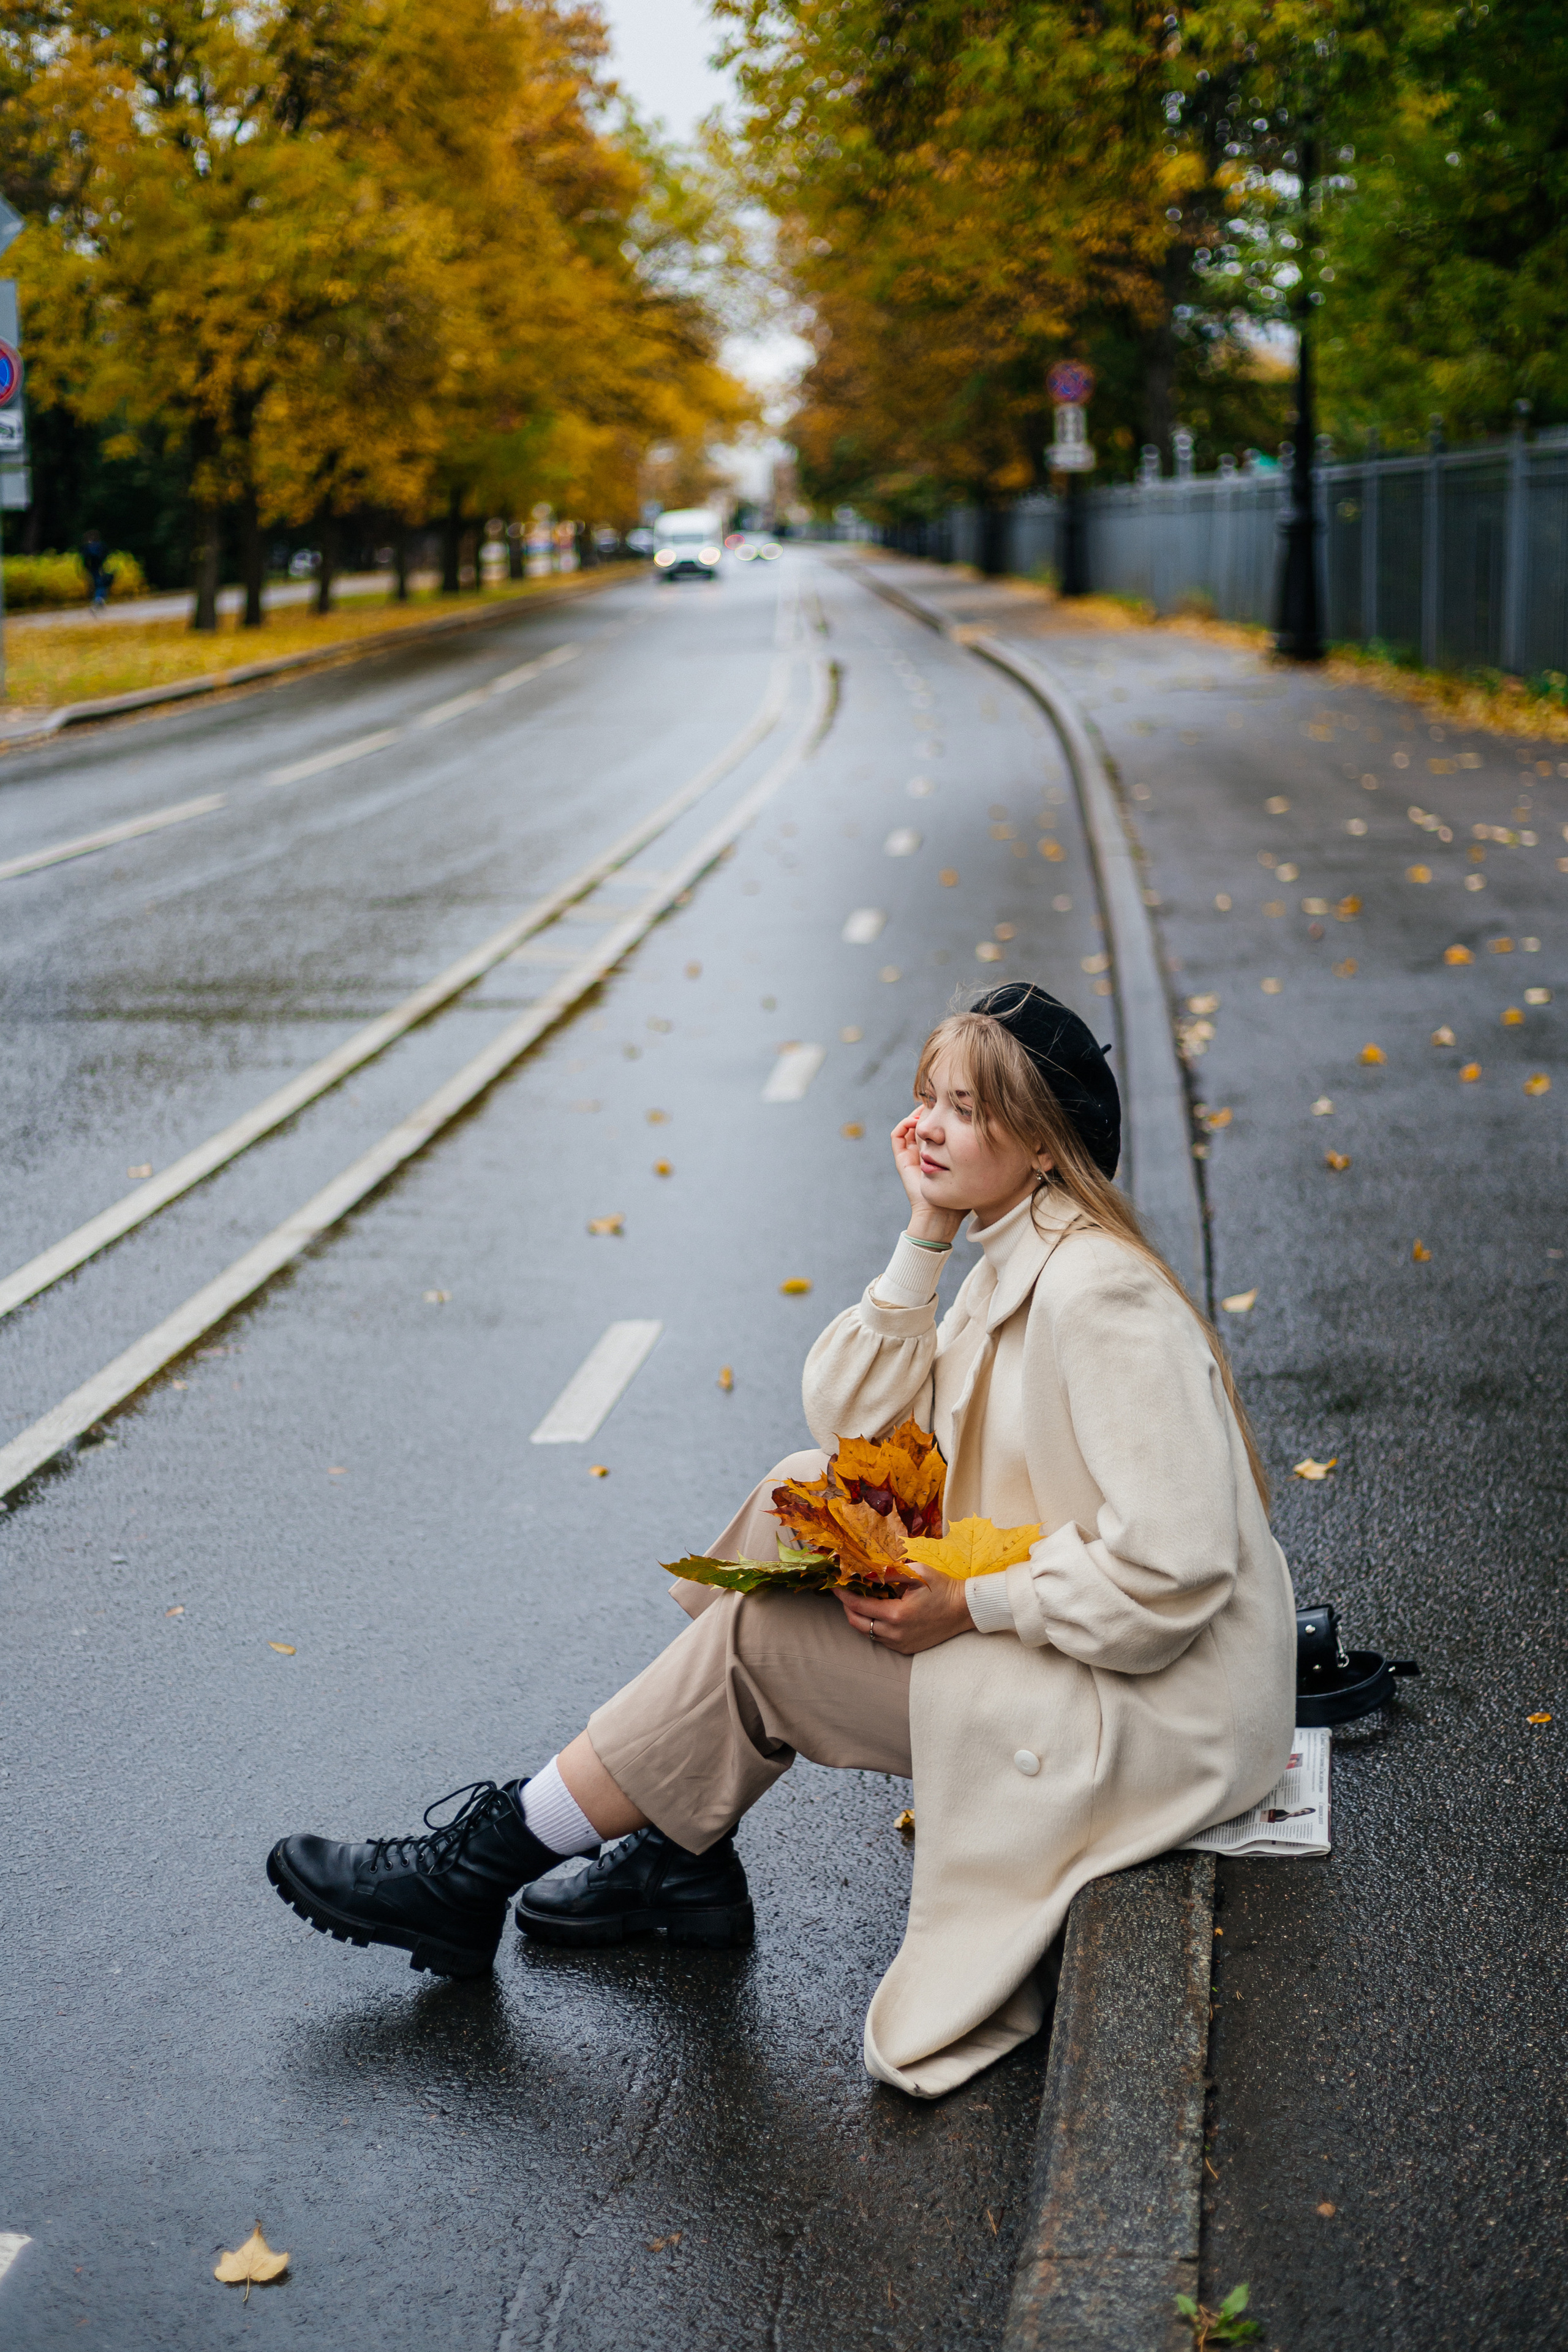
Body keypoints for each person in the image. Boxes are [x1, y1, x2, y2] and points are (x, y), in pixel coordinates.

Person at [268, 982, 1295, 2098]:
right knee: (797, 1491)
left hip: (1157, 1711)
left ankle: (483, 1867)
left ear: (1045, 1146)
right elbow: (849, 1420)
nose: (932, 1128)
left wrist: (972, 1605)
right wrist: (923, 1235)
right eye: (929, 1100)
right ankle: (679, 1849)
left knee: (761, 1638)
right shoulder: (1010, 1250)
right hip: (1091, 1643)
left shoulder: (1099, 1297)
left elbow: (1178, 1564)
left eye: (969, 1108)